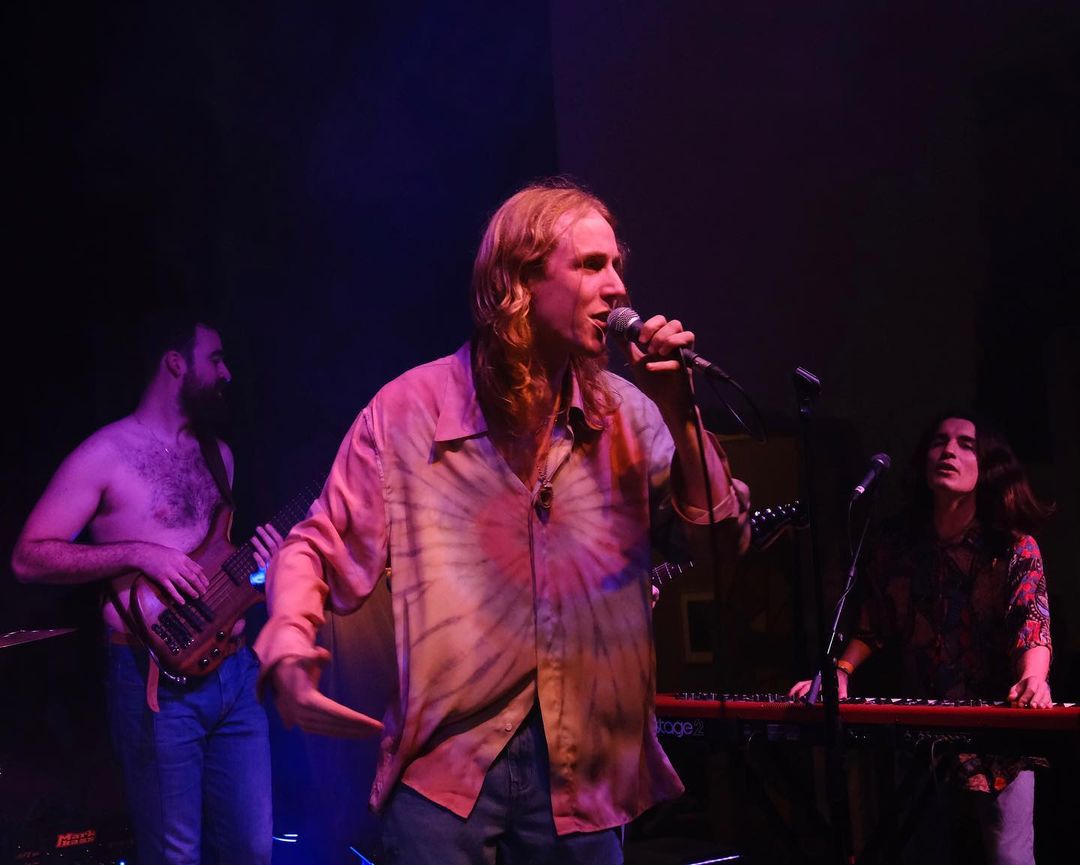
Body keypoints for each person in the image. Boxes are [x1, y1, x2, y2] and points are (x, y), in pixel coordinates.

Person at [255, 179, 751, 864]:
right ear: (519, 282)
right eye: (591, 265)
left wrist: (681, 412)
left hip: (586, 777)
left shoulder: (631, 415)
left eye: (617, 265)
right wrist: (287, 640)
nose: (617, 288)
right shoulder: (410, 412)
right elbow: (317, 544)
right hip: (445, 779)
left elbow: (721, 546)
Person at [12, 313, 283, 865]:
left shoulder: (220, 455)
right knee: (174, 855)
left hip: (235, 671)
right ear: (175, 363)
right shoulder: (105, 453)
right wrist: (139, 552)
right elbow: (29, 556)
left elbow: (219, 561)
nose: (226, 372)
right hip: (154, 680)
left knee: (253, 849)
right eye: (215, 359)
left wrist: (265, 567)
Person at [790, 412, 1054, 865]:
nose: (948, 451)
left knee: (1009, 857)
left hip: (998, 737)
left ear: (988, 465)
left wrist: (1034, 678)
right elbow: (875, 622)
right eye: (939, 442)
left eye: (966, 444)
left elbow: (1031, 620)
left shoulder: (1013, 546)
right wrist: (841, 671)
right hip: (922, 738)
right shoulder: (898, 544)